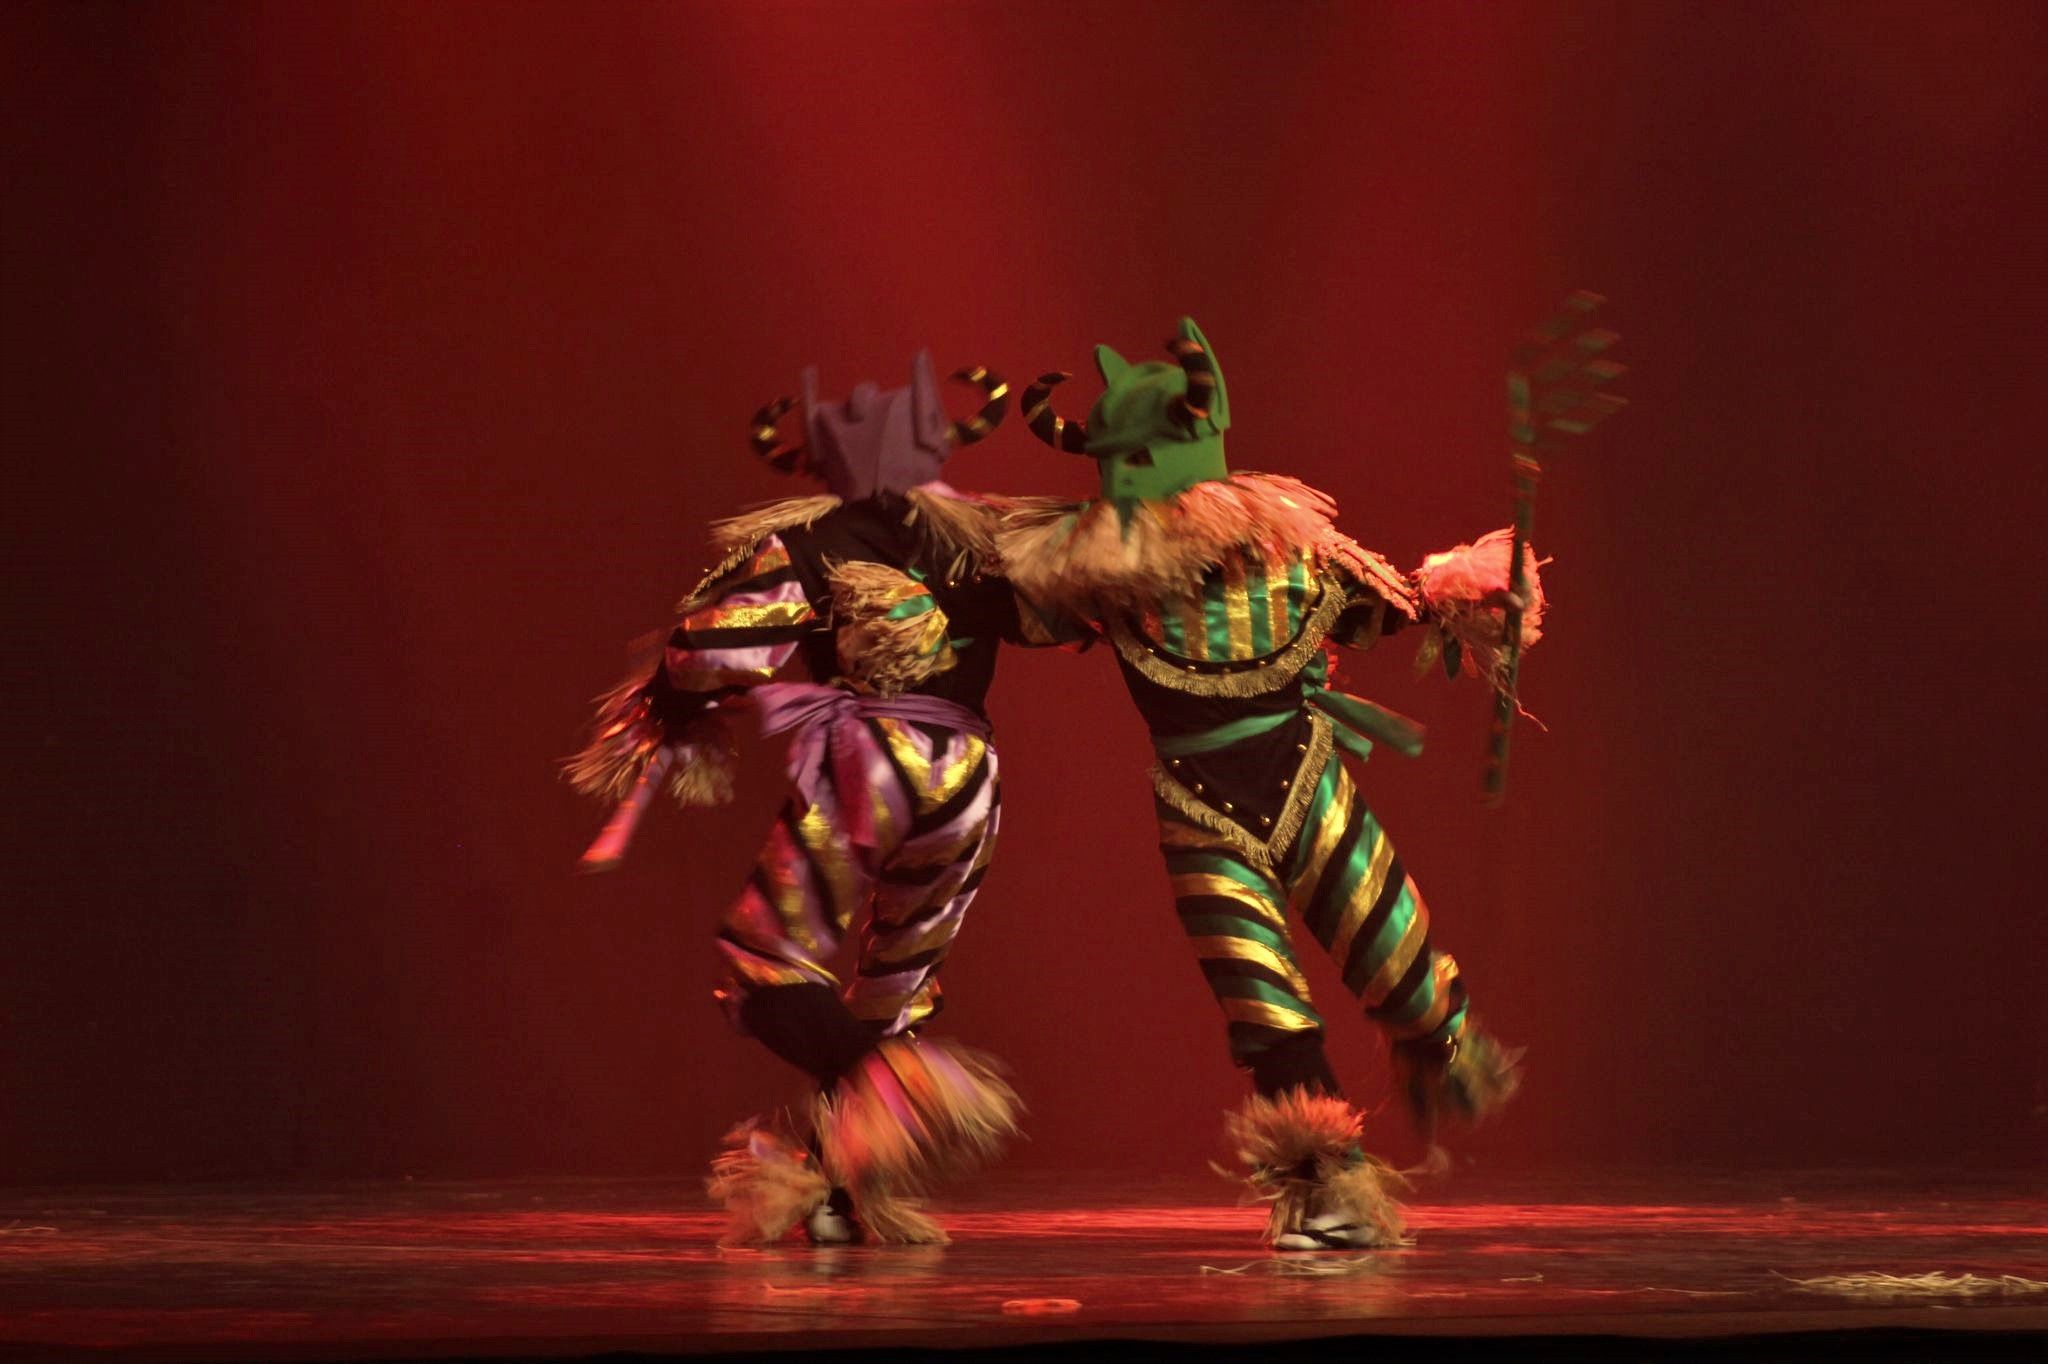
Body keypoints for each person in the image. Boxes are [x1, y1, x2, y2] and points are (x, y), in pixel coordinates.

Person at [998, 319, 1535, 1251]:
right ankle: (1328, 1187)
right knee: (1266, 1010)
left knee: (1403, 973)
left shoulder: (1293, 555)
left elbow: (1403, 604)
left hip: (1309, 788)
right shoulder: (1100, 577)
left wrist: (1479, 593)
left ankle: (1435, 1045)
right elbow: (1001, 602)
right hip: (1201, 817)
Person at [569, 353, 1071, 1246]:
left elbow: (706, 654)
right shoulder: (982, 545)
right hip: (972, 777)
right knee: (895, 983)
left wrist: (674, 707)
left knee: (762, 962)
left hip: (871, 762)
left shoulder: (808, 546)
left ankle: (894, 1091)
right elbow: (1065, 615)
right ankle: (844, 1191)